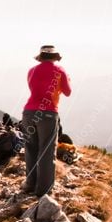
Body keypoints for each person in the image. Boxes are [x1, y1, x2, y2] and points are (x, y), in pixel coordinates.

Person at [22, 45, 71, 197]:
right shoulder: (60, 71)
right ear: (55, 57)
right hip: (48, 113)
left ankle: (30, 184)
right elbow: (68, 92)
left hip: (29, 112)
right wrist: (66, 80)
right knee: (47, 151)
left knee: (31, 148)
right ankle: (43, 190)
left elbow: (34, 88)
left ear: (41, 57)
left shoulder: (32, 70)